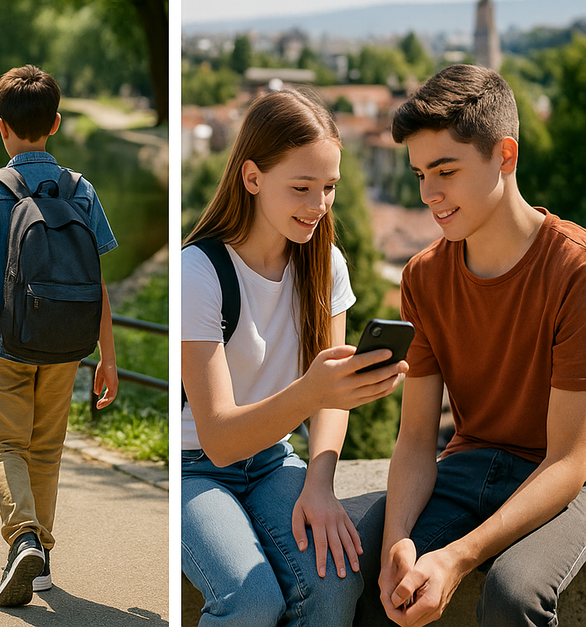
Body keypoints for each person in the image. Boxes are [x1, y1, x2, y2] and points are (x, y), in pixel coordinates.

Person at [358, 64, 586, 627]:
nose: (429, 195)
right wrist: (398, 545)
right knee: (361, 572)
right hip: (469, 465)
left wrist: (458, 557)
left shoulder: (574, 269)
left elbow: (568, 460)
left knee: (513, 593)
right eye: (418, 175)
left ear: (504, 156)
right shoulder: (422, 278)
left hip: (563, 477)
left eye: (445, 171)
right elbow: (415, 439)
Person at [180, 88, 406, 626]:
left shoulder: (326, 266)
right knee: (251, 600)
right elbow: (218, 436)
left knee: (334, 585)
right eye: (301, 187)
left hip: (273, 462)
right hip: (194, 469)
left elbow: (331, 403)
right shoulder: (199, 273)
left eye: (329, 187)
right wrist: (314, 389)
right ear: (253, 178)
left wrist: (321, 482)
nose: (318, 205)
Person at [0, 64, 120, 609]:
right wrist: (108, 357)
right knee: (47, 450)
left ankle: (25, 539)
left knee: (6, 445)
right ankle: (41, 561)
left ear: (1, 127)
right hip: (66, 348)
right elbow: (99, 284)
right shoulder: (81, 191)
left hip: (5, 343)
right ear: (56, 123)